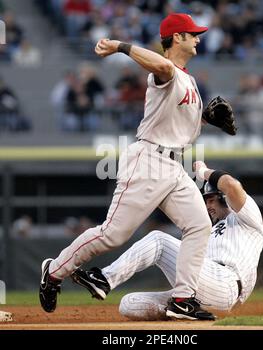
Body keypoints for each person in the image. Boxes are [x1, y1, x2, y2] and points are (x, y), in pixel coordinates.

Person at [40, 13, 226, 320]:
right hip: (148, 159)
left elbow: (179, 127)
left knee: (199, 225)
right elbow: (163, 67)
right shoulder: (165, 71)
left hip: (174, 166)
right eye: (192, 33)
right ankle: (55, 271)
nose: (198, 38)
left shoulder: (189, 80)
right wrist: (120, 46)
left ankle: (182, 299)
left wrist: (206, 118)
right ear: (176, 37)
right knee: (113, 234)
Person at [71, 162, 263, 320]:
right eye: (205, 200)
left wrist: (204, 172)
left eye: (211, 199)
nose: (207, 205)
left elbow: (231, 185)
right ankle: (186, 313)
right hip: (205, 292)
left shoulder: (246, 217)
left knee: (159, 240)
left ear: (224, 198)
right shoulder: (208, 229)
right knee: (129, 304)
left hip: (226, 283)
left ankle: (104, 279)